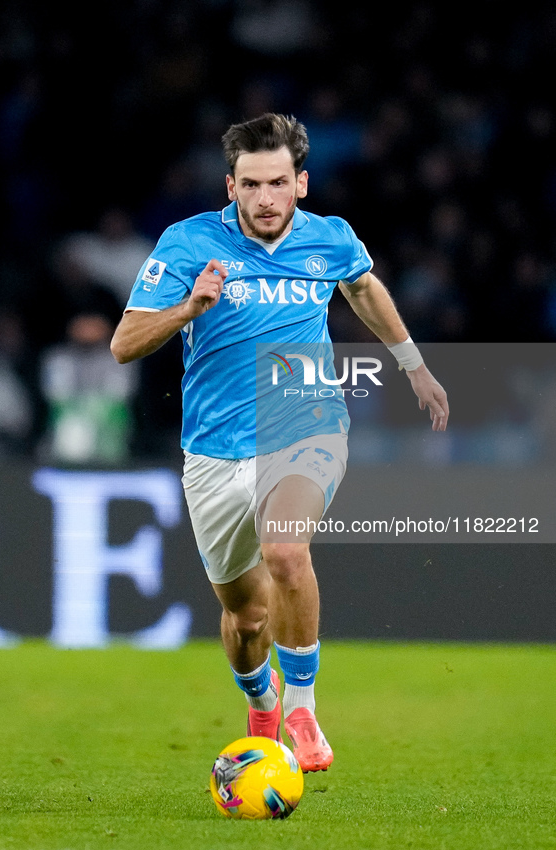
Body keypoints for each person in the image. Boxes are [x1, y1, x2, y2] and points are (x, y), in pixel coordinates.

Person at [110, 113, 448, 773]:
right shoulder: (187, 245)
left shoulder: (330, 237)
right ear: (230, 186)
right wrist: (189, 309)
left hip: (304, 419)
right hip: (213, 450)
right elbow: (124, 344)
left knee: (287, 551)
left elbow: (362, 287)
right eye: (250, 185)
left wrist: (413, 364)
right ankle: (259, 693)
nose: (264, 199)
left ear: (301, 182)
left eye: (277, 183)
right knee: (243, 618)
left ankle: (301, 705)